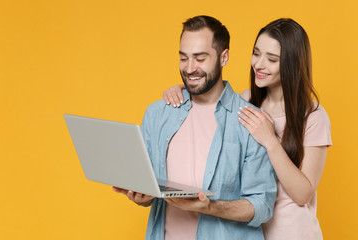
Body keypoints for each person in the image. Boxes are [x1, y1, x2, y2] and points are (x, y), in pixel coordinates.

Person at [163, 18, 332, 240]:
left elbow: (303, 194)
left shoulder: (313, 116)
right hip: (247, 232)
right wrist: (184, 90)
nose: (258, 64)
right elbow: (210, 96)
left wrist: (270, 141)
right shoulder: (246, 102)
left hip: (292, 233)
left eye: (271, 59)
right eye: (256, 53)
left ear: (292, 63)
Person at [113, 15, 277, 240]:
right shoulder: (157, 113)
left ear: (224, 57)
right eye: (184, 58)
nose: (190, 68)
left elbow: (262, 205)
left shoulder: (250, 121)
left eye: (200, 58)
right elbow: (149, 183)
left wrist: (209, 207)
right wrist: (143, 196)